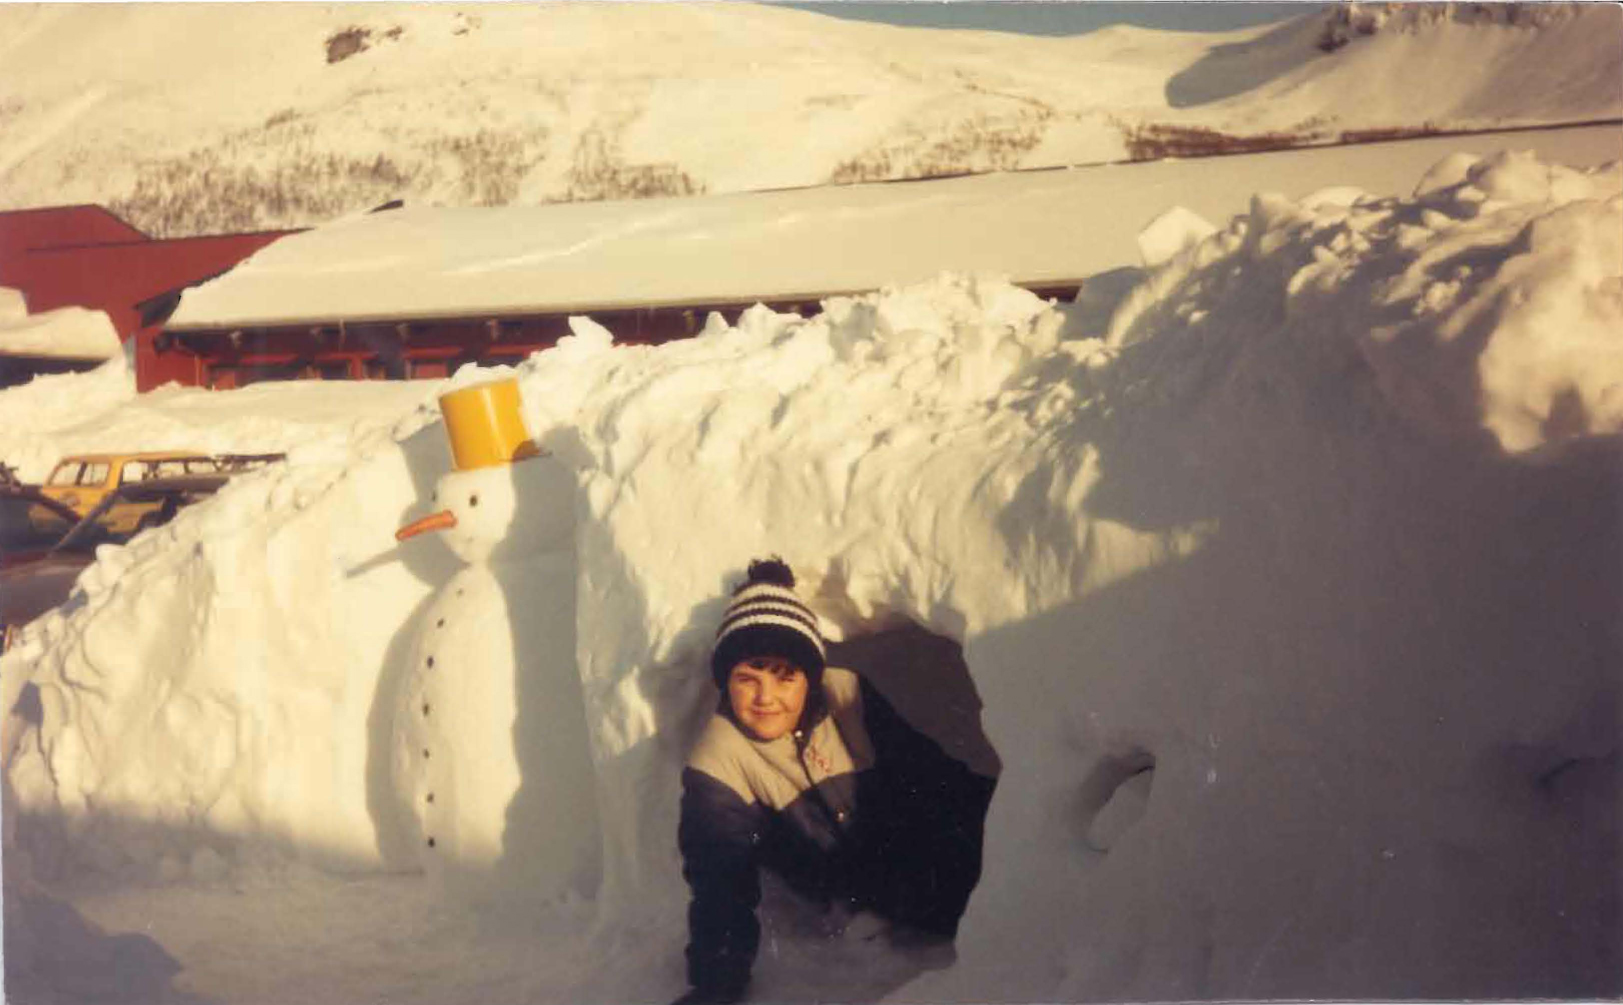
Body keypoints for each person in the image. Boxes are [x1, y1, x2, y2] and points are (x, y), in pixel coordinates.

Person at [676, 557, 996, 1004]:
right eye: (747, 680)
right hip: (869, 886)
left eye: (784, 678)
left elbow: (932, 773)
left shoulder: (846, 694)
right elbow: (720, 884)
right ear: (726, 682)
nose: (766, 698)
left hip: (918, 841)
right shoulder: (720, 760)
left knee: (1008, 859)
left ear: (810, 678)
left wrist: (1013, 810)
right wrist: (715, 988)